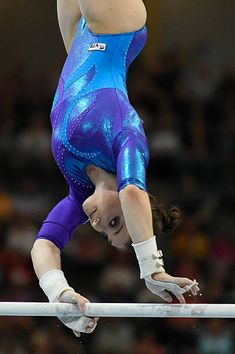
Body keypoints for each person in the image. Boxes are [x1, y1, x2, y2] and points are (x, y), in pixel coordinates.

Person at [31, 0, 199, 337]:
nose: (95, 225)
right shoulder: (130, 139)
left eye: (105, 232)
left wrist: (59, 294)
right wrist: (152, 269)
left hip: (79, 37)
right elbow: (133, 191)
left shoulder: (78, 188)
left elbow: (44, 245)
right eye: (114, 223)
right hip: (118, 29)